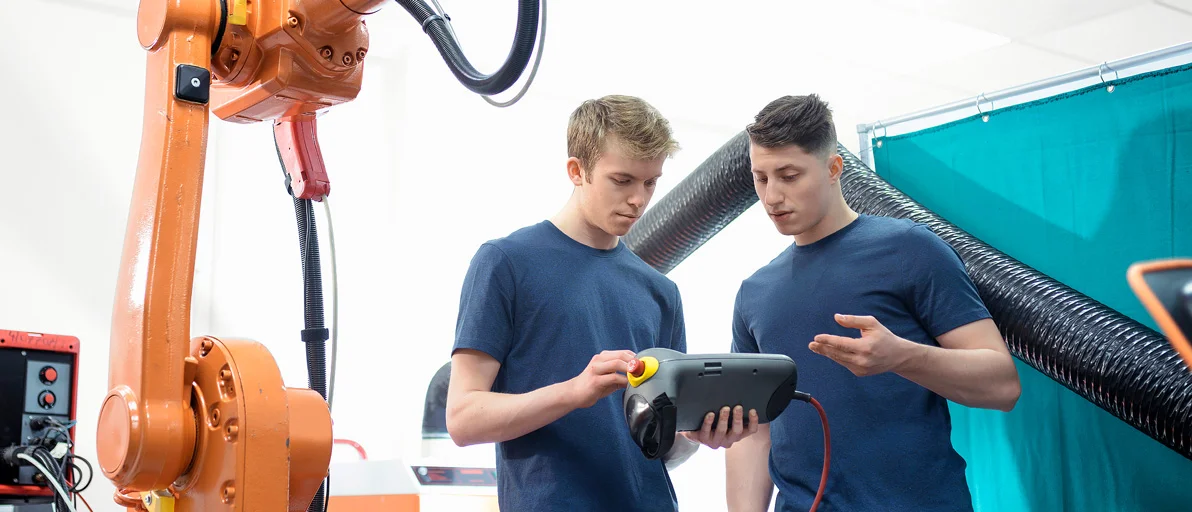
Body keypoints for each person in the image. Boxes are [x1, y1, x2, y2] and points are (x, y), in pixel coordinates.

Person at [446, 95, 755, 512]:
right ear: (577, 171)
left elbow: (663, 447)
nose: (638, 199)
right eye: (622, 180)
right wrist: (575, 391)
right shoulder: (505, 264)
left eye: (650, 182)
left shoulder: (660, 292)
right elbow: (463, 418)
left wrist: (696, 435)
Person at [725, 94, 1022, 512]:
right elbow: (755, 432)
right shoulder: (754, 292)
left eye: (789, 176)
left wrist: (902, 357)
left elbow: (1003, 385)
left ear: (834, 168)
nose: (771, 196)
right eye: (760, 178)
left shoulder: (911, 249)